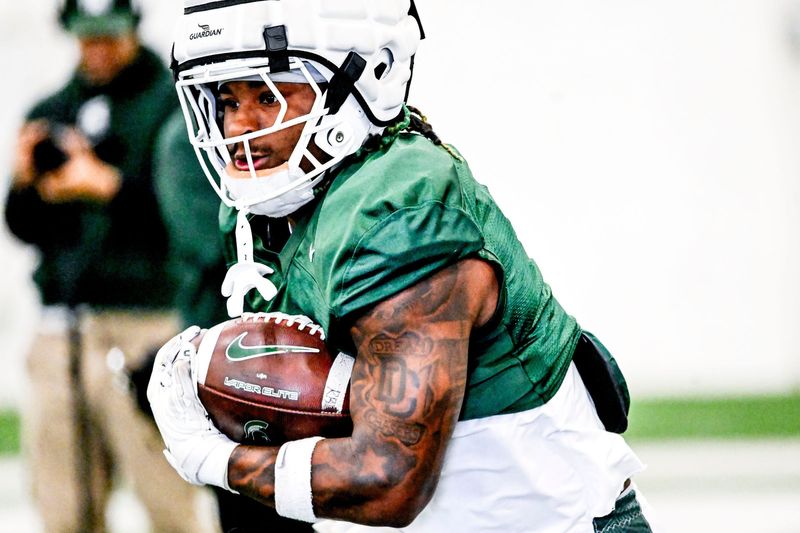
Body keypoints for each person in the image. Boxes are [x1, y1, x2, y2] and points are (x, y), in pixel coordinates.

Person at [148, 1, 656, 532]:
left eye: (270, 96)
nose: (238, 128)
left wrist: (209, 456)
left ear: (362, 79)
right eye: (227, 100)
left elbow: (386, 478)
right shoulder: (269, 208)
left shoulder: (399, 211)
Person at [4, 1, 210, 531]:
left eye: (108, 37)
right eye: (86, 37)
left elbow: (190, 218)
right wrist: (27, 183)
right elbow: (22, 226)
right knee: (64, 501)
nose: (96, 48)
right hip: (64, 324)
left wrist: (109, 187)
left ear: (133, 28)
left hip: (146, 322)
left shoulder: (173, 105)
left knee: (165, 493)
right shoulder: (53, 107)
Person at [152, 108, 314, 532]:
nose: (246, 119)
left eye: (263, 95)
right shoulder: (187, 144)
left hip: (297, 369)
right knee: (253, 507)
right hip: (234, 362)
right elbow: (213, 246)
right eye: (232, 100)